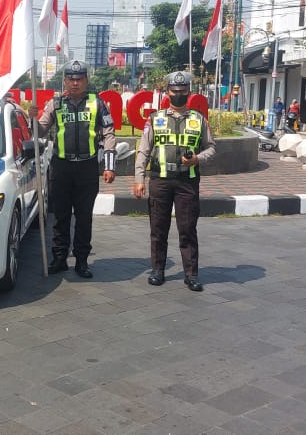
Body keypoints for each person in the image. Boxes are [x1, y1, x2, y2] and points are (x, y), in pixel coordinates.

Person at [30, 60, 117, 278]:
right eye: (71, 79)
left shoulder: (98, 103)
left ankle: (81, 261)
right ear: (65, 81)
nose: (75, 83)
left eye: (79, 79)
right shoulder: (55, 104)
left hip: (87, 167)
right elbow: (40, 131)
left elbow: (109, 134)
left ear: (86, 80)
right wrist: (32, 118)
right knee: (60, 216)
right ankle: (59, 259)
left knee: (84, 217)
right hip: (62, 167)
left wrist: (109, 167)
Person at [132, 71, 216, 292]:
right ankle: (157, 270)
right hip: (159, 181)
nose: (178, 94)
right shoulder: (154, 119)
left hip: (187, 182)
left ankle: (191, 274)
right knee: (158, 228)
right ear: (167, 92)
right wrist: (139, 179)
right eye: (174, 90)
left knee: (187, 229)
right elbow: (143, 151)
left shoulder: (199, 120)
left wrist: (197, 158)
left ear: (189, 92)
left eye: (183, 90)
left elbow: (211, 148)